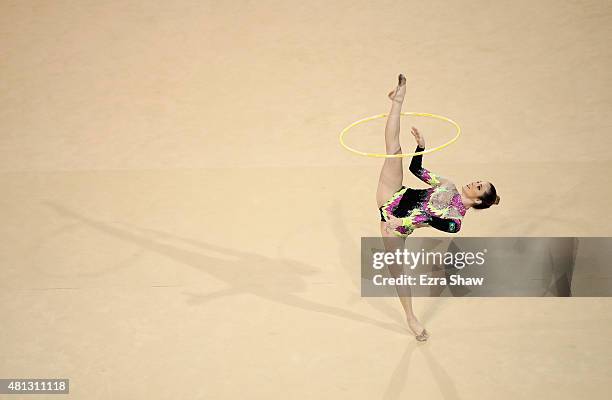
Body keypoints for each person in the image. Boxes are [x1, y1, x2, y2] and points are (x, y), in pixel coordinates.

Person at [375, 74, 500, 341]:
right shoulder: (448, 184)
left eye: (478, 186)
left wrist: (398, 225)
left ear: (478, 201)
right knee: (394, 151)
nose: (473, 182)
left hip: (397, 224)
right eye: (478, 180)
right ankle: (398, 100)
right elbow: (415, 169)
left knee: (398, 272)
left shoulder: (454, 221)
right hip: (394, 196)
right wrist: (421, 147)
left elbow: (429, 218)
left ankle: (410, 317)